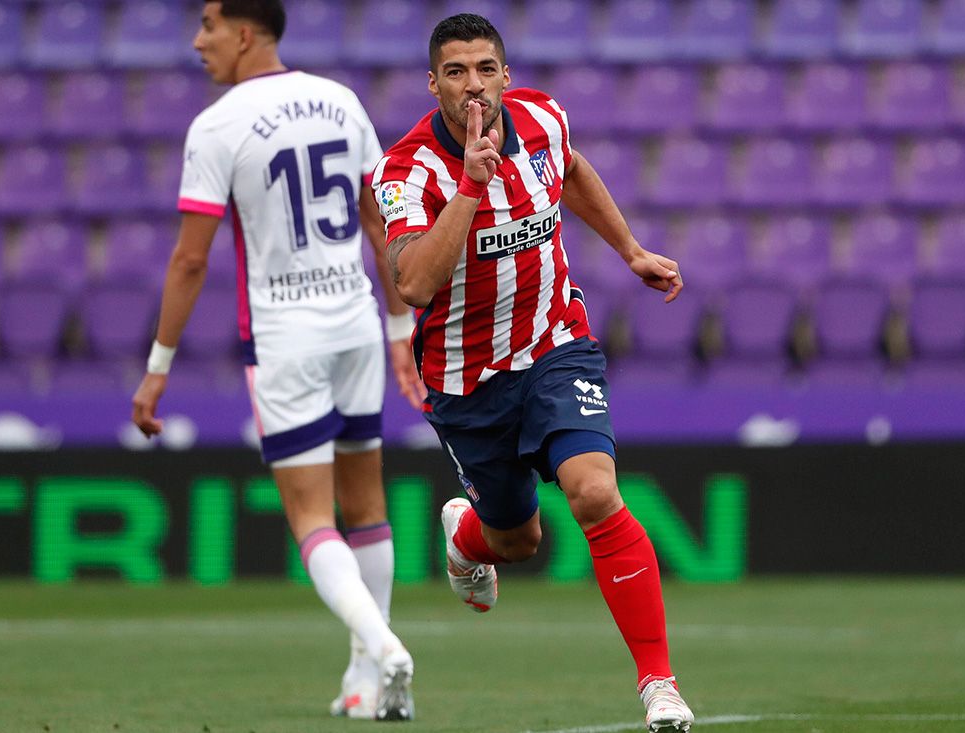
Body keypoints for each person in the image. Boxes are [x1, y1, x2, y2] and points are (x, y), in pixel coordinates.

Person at [371, 13, 696, 733]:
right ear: (434, 85)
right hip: (466, 381)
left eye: (485, 68)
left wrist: (630, 249)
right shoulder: (404, 173)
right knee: (518, 540)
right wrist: (468, 187)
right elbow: (415, 285)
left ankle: (659, 684)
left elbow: (572, 169)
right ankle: (468, 539)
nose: (473, 85)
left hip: (555, 342)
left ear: (506, 76)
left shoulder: (543, 118)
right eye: (455, 72)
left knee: (592, 490)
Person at [130, 0, 426, 721]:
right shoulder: (340, 100)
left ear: (243, 32)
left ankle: (383, 647)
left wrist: (158, 364)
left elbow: (190, 260)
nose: (198, 42)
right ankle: (365, 679)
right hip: (355, 317)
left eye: (207, 26)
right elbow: (378, 219)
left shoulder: (218, 125)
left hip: (286, 336)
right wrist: (397, 327)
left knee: (310, 515)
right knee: (367, 503)